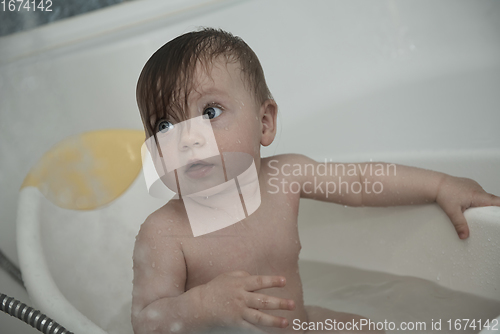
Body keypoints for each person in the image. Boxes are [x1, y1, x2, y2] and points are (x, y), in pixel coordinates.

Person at [131, 28, 500, 334]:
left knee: (371, 329)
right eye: (164, 125)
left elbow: (360, 180)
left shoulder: (284, 177)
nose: (187, 138)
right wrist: (202, 305)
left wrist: (439, 186)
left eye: (210, 112)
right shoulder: (164, 233)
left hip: (300, 324)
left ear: (265, 123)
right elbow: (145, 321)